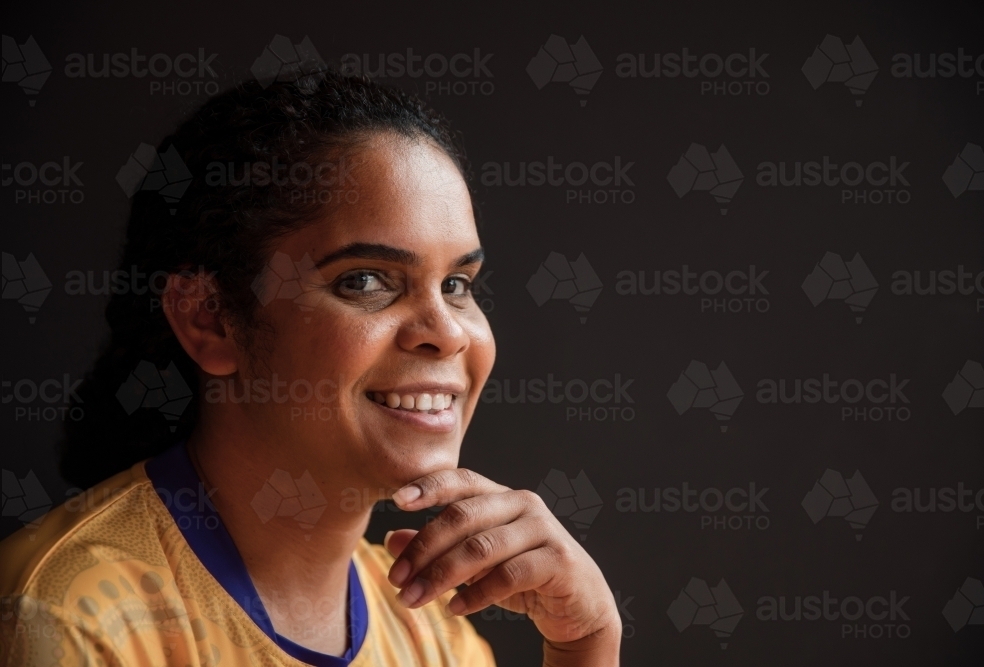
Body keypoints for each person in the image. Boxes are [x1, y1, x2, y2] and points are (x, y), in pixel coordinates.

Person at [0, 72, 621, 666]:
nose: (448, 332)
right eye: (367, 280)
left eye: (457, 283)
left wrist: (582, 646)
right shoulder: (67, 617)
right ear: (211, 320)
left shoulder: (431, 632)